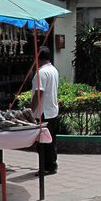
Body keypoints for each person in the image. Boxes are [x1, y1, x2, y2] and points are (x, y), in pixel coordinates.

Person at [31, 46, 60, 176]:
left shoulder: (41, 72)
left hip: (43, 112)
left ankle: (46, 167)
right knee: (51, 140)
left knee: (43, 143)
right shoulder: (53, 70)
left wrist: (31, 111)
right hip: (52, 110)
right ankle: (52, 165)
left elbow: (39, 93)